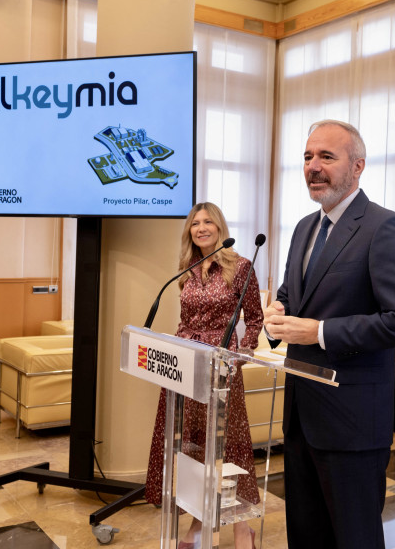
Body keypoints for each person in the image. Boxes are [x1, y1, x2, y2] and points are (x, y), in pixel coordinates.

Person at [264, 119, 395, 548]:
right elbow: (292, 295)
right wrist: (277, 313)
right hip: (301, 418)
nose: (313, 167)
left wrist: (319, 332)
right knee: (306, 535)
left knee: (354, 539)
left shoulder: (384, 228)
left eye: (326, 157)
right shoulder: (303, 227)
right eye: (307, 157)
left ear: (357, 167)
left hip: (353, 420)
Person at [145, 202, 262, 549]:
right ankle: (198, 521)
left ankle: (242, 527)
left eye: (208, 221)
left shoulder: (240, 267)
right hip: (185, 367)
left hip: (221, 369)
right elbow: (184, 323)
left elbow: (254, 318)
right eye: (195, 223)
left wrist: (242, 355)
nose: (201, 228)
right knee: (194, 447)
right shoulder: (187, 269)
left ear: (220, 227)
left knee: (227, 448)